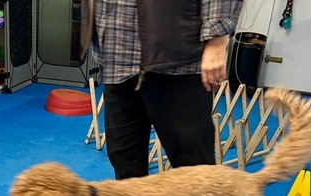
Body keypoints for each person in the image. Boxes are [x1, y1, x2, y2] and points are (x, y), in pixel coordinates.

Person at [80, 0, 243, 180]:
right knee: (125, 167)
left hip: (178, 57)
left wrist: (217, 39)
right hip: (115, 52)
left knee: (194, 169)